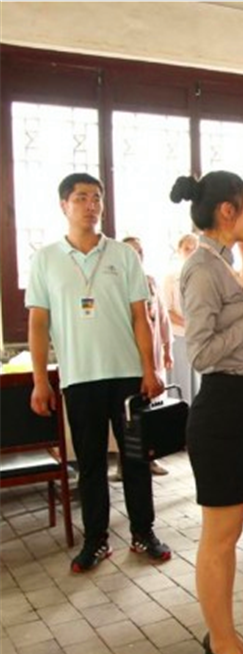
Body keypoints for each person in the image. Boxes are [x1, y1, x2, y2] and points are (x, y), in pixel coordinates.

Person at [26, 172, 169, 572]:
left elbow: (140, 318)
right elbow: (38, 323)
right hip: (79, 378)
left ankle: (144, 533)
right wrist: (40, 380)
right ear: (64, 205)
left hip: (127, 376)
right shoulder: (45, 259)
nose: (91, 205)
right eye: (81, 198)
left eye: (97, 198)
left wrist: (149, 369)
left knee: (136, 459)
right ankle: (96, 541)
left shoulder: (123, 255)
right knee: (89, 464)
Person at [171, 170, 243, 654]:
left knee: (229, 536)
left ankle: (227, 633)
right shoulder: (199, 268)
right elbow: (203, 353)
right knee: (218, 539)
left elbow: (241, 328)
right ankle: (219, 644)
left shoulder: (221, 262)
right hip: (220, 413)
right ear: (227, 211)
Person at [122, 235, 173, 477]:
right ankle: (124, 461)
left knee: (151, 407)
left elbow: (162, 316)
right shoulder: (118, 282)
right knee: (128, 414)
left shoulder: (150, 281)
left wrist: (167, 348)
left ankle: (151, 457)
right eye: (130, 252)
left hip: (152, 351)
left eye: (139, 252)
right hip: (128, 356)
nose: (135, 256)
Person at [163, 233, 201, 404]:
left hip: (200, 336)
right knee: (181, 381)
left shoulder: (203, 276)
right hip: (179, 336)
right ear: (179, 251)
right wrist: (188, 324)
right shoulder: (171, 278)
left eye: (194, 249)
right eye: (187, 248)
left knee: (198, 382)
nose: (191, 252)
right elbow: (167, 310)